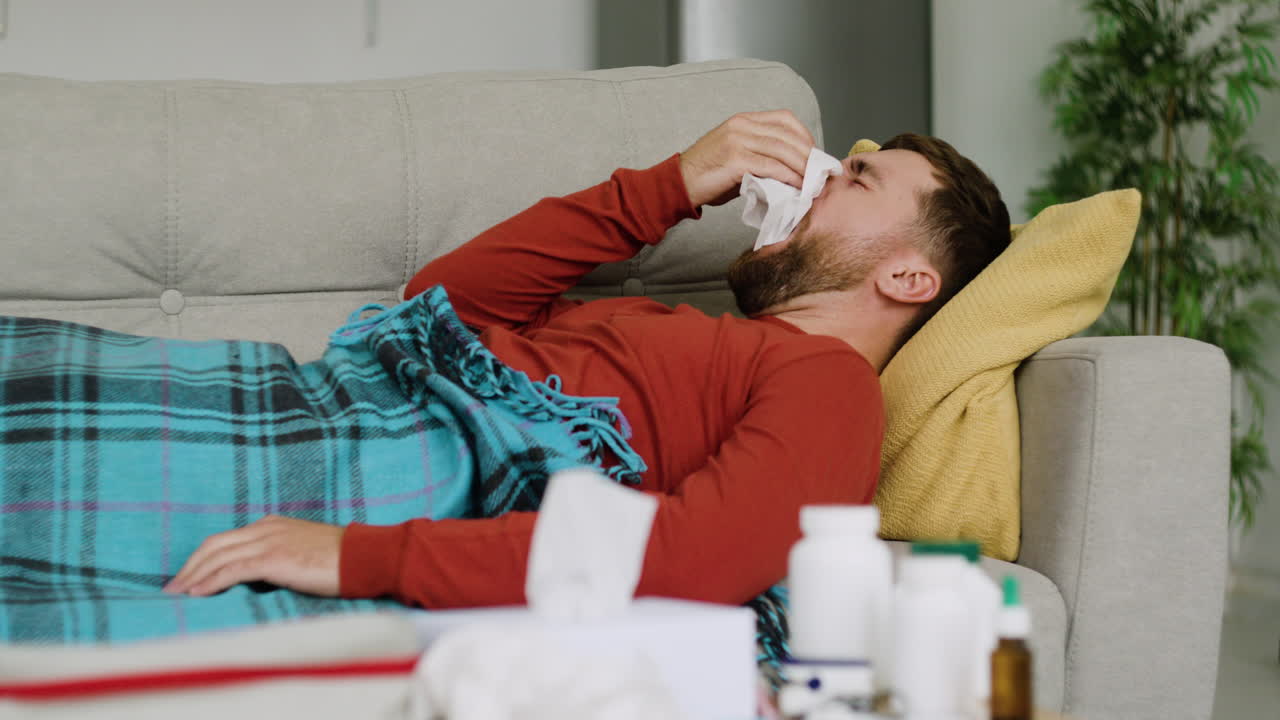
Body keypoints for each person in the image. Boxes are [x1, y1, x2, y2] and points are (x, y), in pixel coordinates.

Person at [162, 110, 1011, 610]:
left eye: (857, 181)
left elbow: (705, 556)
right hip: (322, 396)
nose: (821, 176)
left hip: (372, 464)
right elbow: (442, 306)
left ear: (908, 277)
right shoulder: (666, 322)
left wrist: (359, 557)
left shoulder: (829, 387)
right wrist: (672, 183)